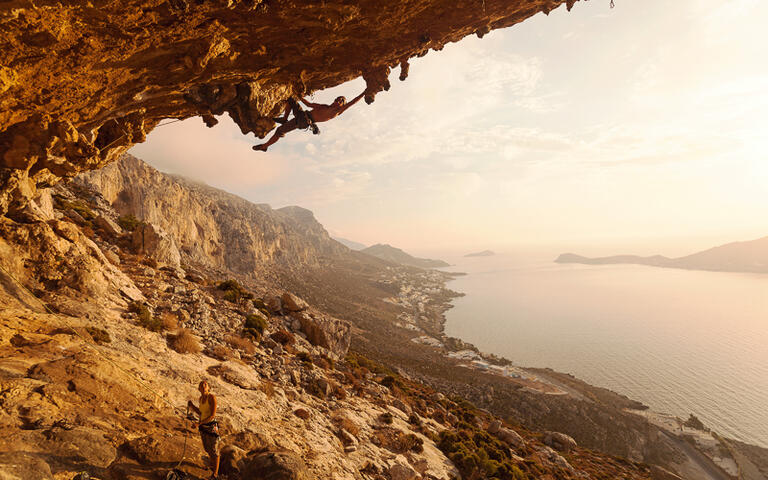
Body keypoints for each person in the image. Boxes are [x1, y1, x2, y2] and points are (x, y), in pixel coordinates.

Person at [253, 91, 366, 152]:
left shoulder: (336, 111)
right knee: (291, 100)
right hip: (303, 114)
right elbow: (308, 104)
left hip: (304, 121)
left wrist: (364, 93)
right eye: (338, 98)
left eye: (342, 101)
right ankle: (284, 118)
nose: (339, 100)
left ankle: (265, 146)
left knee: (279, 131)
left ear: (342, 105)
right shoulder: (324, 106)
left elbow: (352, 102)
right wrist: (299, 96)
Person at [188, 380, 220, 479]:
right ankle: (212, 466)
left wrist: (199, 423)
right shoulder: (201, 399)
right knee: (208, 449)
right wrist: (192, 406)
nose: (203, 385)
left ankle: (215, 474)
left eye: (205, 384)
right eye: (201, 384)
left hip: (211, 427)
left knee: (214, 450)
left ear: (208, 387)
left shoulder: (212, 398)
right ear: (199, 389)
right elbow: (201, 413)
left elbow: (212, 415)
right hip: (203, 427)